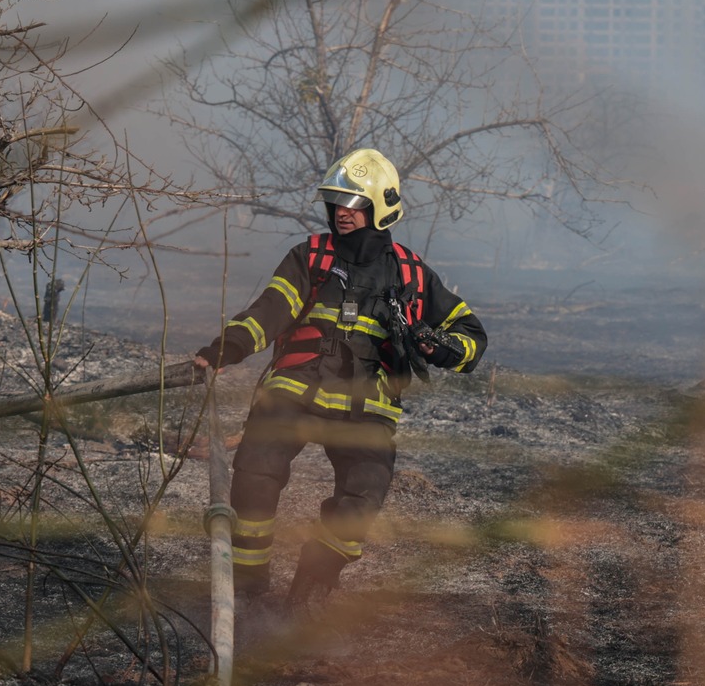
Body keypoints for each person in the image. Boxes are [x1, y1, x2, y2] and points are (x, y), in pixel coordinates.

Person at [193, 148, 487, 610]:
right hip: (294, 388)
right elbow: (269, 310)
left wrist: (442, 346)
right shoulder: (310, 256)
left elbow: (472, 336)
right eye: (336, 202)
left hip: (366, 407)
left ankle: (309, 591)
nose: (342, 213)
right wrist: (226, 349)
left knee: (363, 496)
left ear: (379, 207)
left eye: (353, 203)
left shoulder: (411, 273)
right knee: (256, 475)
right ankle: (246, 586)